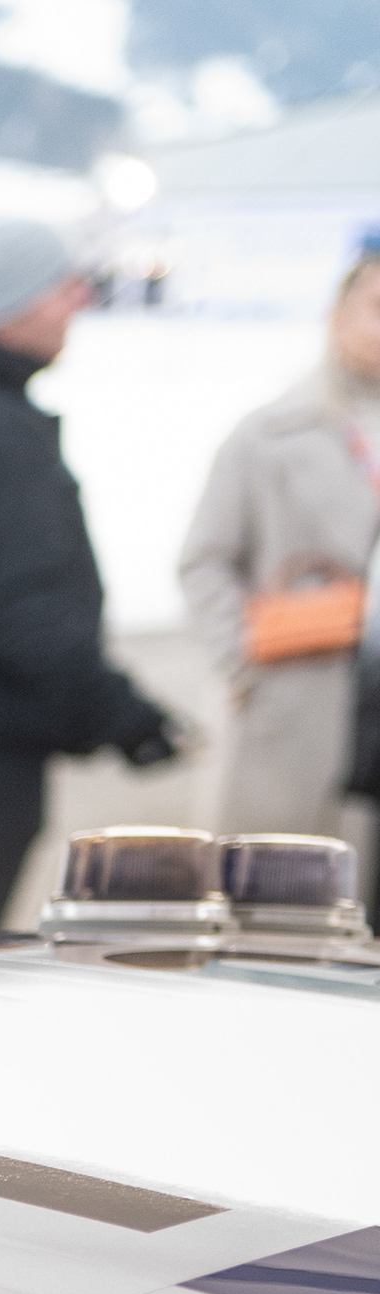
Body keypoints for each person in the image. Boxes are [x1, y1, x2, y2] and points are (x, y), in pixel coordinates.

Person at [0, 214, 190, 933]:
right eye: (60, 289)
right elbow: (23, 610)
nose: (75, 304)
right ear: (8, 305)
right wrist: (119, 713)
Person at [176, 242, 380, 854]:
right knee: (289, 895)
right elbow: (204, 560)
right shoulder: (270, 434)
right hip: (303, 691)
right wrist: (243, 659)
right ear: (337, 317)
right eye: (376, 306)